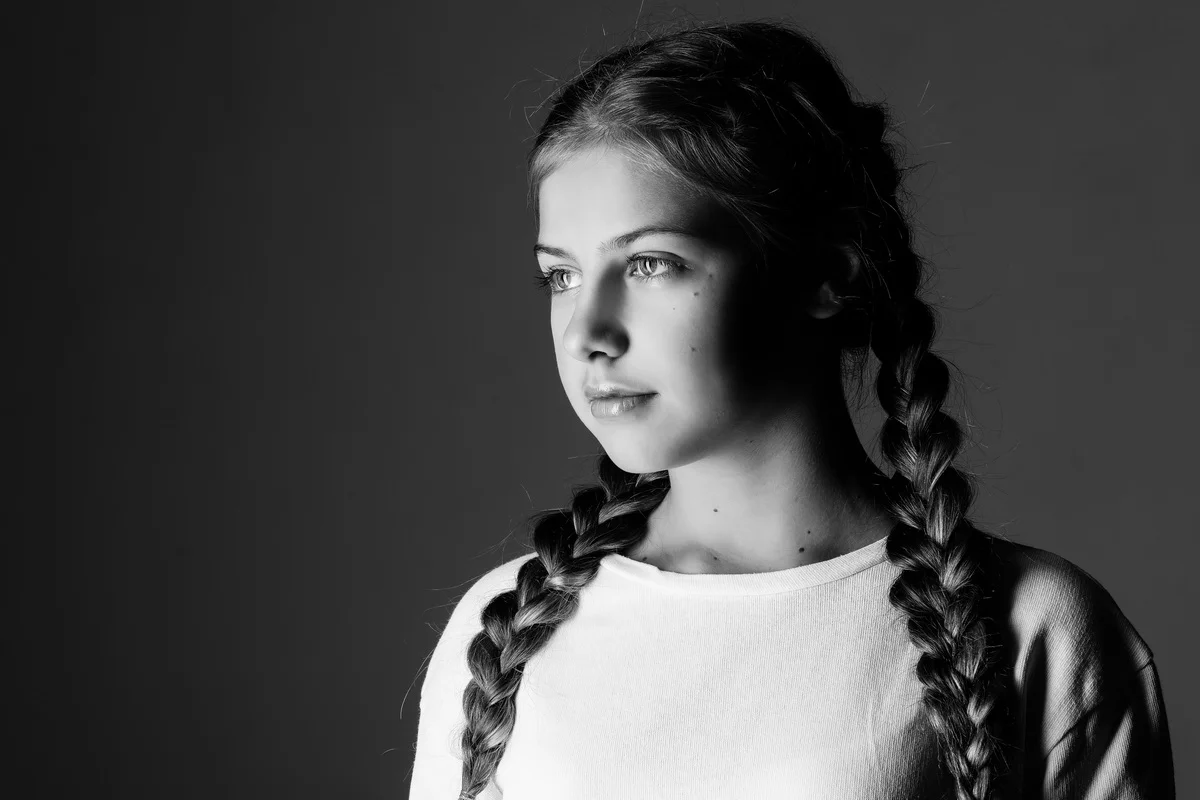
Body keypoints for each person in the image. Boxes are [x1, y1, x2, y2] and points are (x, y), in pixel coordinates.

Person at [407, 18, 1174, 800]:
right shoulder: (500, 639)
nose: (588, 333)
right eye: (560, 276)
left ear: (825, 274)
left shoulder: (1035, 625)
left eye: (650, 263)